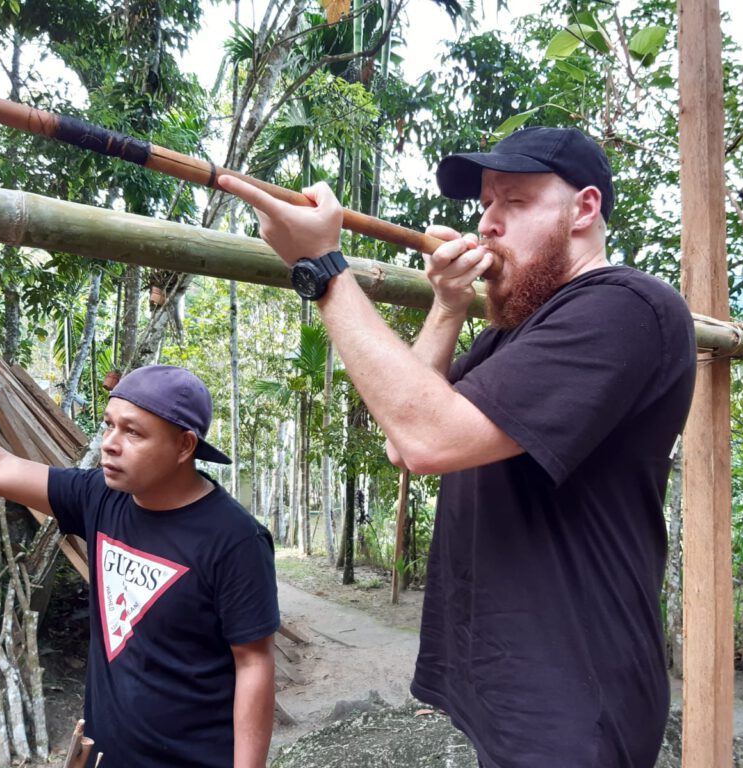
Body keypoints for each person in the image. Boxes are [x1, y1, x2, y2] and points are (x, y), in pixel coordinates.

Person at [218, 125, 696, 767]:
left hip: (577, 698)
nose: (488, 222)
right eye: (486, 204)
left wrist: (325, 269)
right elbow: (404, 437)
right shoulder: (515, 332)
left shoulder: (625, 307)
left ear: (584, 209)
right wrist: (447, 306)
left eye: (515, 201)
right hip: (512, 682)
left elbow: (427, 439)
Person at [0, 364, 279, 768]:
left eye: (133, 432)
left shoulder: (234, 540)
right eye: (109, 425)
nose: (110, 443)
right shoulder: (101, 498)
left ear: (184, 446)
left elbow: (254, 663)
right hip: (103, 756)